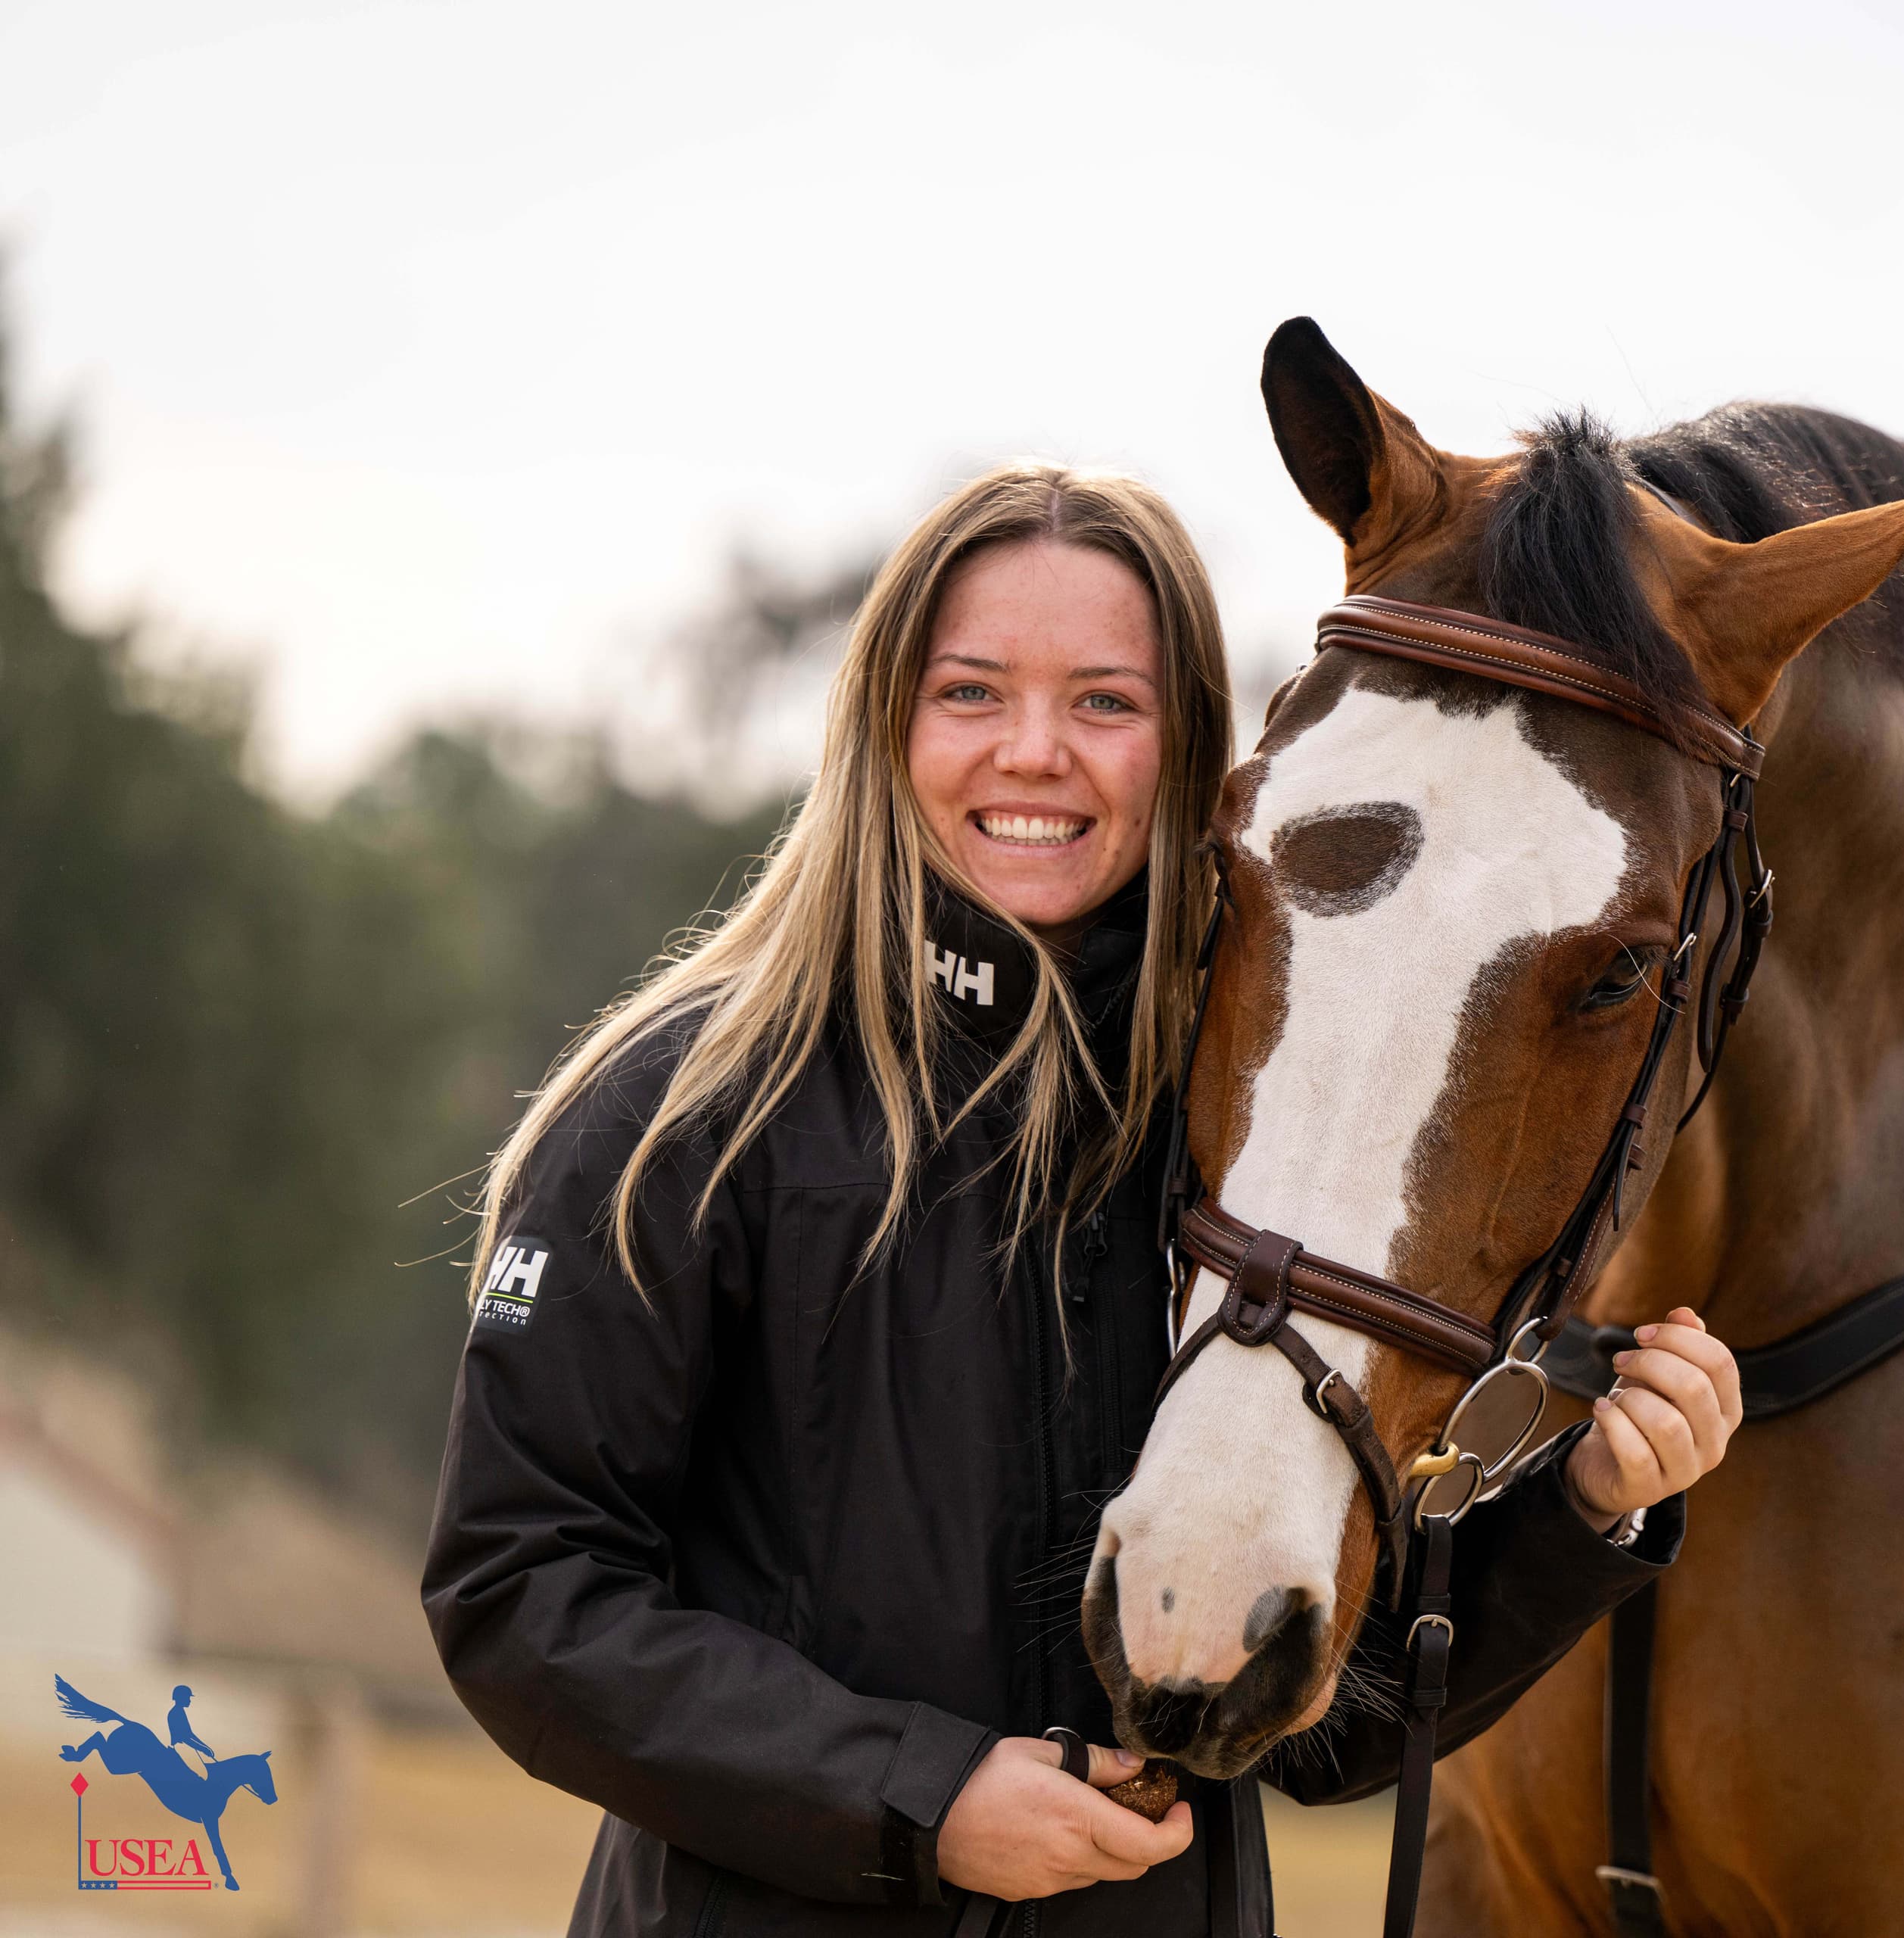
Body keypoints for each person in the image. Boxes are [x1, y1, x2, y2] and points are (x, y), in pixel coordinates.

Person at [421, 462, 1744, 1938]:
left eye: (1104, 702)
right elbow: (523, 1593)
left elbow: (1311, 1724)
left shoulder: (1241, 1135)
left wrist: (1576, 1514)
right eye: (972, 693)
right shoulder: (676, 1116)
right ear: (885, 726)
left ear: (1186, 747)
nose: (1035, 751)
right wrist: (921, 1798)